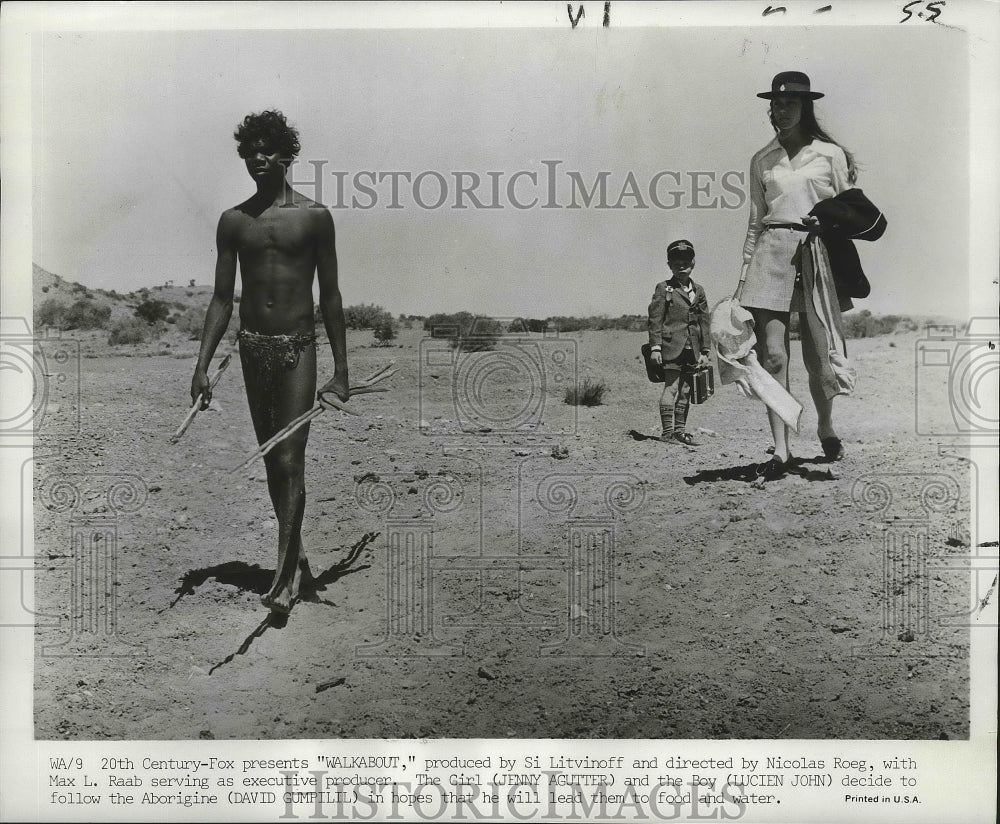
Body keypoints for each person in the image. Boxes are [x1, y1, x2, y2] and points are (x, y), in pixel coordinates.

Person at [190, 110, 349, 614]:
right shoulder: (233, 222)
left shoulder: (315, 217)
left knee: (289, 458)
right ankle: (294, 559)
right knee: (271, 465)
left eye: (267, 150)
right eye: (249, 151)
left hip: (298, 347)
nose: (257, 158)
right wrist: (201, 364)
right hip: (253, 350)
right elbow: (221, 299)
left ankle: (281, 585)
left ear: (287, 155)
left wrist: (341, 371)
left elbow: (331, 296)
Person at [735, 71, 856, 478]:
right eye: (775, 104)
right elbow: (755, 221)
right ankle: (782, 450)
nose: (780, 111)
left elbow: (849, 211)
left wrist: (828, 229)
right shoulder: (761, 160)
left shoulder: (830, 156)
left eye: (789, 104)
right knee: (772, 356)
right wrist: (742, 278)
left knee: (819, 359)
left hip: (815, 254)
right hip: (770, 253)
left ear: (805, 108)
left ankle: (825, 426)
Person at [648, 239, 712, 446]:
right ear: (670, 265)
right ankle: (667, 432)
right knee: (672, 387)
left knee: (686, 390)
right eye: (676, 264)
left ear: (692, 264)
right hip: (670, 347)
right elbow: (655, 319)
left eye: (685, 263)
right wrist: (655, 347)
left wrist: (705, 349)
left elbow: (704, 321)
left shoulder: (699, 291)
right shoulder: (664, 289)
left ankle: (680, 432)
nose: (681, 267)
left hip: (692, 349)